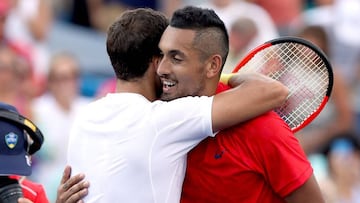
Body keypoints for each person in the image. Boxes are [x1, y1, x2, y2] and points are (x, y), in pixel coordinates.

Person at [66, 7, 289, 202]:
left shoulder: (83, 118)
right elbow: (274, 91)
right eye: (166, 56)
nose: (168, 66)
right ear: (157, 63)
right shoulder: (164, 119)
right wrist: (218, 75)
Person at [154, 6, 324, 203]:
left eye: (176, 58)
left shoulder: (264, 129)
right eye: (162, 55)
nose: (161, 69)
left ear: (212, 66)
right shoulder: (154, 114)